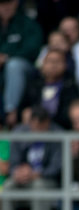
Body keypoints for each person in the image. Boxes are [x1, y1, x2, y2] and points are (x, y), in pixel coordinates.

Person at [0, 106, 61, 210]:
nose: (37, 131)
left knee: (39, 186)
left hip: (46, 179)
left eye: (41, 127)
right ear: (30, 123)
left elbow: (57, 166)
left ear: (47, 123)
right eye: (34, 127)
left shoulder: (58, 134)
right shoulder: (20, 132)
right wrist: (18, 171)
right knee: (8, 187)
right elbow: (13, 160)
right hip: (22, 177)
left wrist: (38, 173)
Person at [0, 0, 42, 128]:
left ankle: (10, 110)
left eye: (9, 2)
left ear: (16, 3)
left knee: (14, 65)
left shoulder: (27, 23)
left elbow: (33, 48)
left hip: (25, 69)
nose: (6, 6)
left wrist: (7, 56)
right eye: (2, 3)